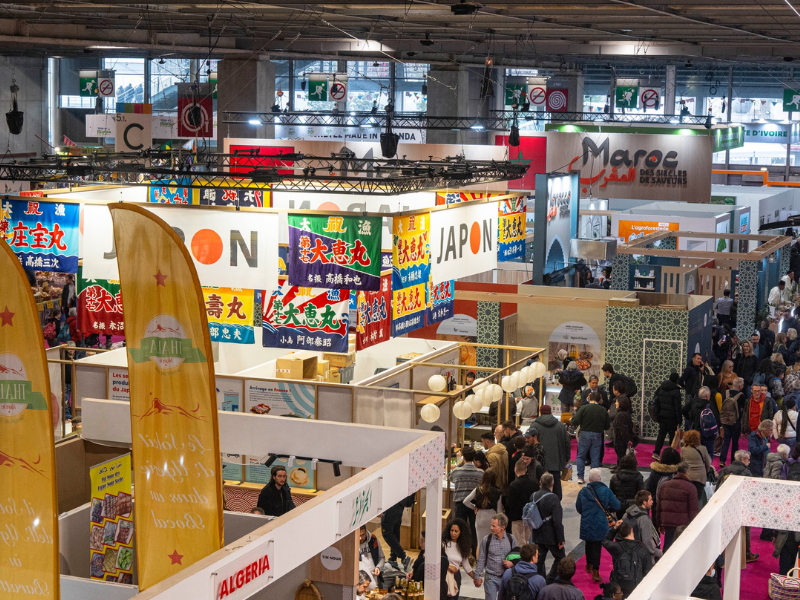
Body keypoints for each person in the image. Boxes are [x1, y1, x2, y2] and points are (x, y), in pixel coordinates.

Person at [576, 468, 620, 582]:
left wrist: (586, 514)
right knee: (597, 546)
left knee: (589, 543)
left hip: (586, 521)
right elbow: (617, 505)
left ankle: (589, 565)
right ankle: (596, 570)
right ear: (600, 478)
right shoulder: (606, 491)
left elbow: (578, 507)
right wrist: (607, 509)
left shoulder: (583, 491)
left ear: (589, 479)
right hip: (601, 522)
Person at [529, 472, 566, 585]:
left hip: (537, 533)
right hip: (551, 536)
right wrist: (561, 539)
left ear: (540, 483)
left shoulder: (533, 496)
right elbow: (557, 522)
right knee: (560, 558)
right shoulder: (554, 498)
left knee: (539, 559)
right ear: (552, 483)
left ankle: (539, 581)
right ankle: (549, 580)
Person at [601, 520, 652, 597]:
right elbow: (647, 572)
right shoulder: (643, 550)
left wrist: (614, 528)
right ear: (631, 530)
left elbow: (605, 540)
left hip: (619, 586)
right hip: (637, 587)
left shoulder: (616, 548)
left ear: (620, 535)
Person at [473, 514, 518, 600]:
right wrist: (477, 576)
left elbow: (518, 557)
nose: (491, 528)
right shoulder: (486, 540)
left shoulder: (511, 539)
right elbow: (481, 559)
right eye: (491, 525)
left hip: (507, 578)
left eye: (494, 526)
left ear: (502, 527)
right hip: (491, 578)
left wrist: (512, 563)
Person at [656, 462, 699, 551]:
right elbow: (693, 510)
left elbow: (659, 506)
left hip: (668, 522)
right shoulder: (691, 488)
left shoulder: (664, 485)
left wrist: (659, 523)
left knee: (667, 547)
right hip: (683, 525)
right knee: (682, 549)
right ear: (687, 472)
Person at [531, 404, 570, 498]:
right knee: (556, 484)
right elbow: (567, 442)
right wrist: (567, 458)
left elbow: (530, 441)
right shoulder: (560, 426)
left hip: (540, 462)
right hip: (556, 462)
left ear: (540, 412)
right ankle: (556, 502)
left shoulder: (535, 425)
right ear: (551, 412)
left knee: (540, 484)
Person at [571, 391, 610, 484]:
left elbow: (575, 420)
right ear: (600, 400)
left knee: (581, 456)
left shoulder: (583, 408)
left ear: (589, 398)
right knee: (595, 458)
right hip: (598, 435)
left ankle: (580, 478)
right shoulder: (603, 410)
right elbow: (607, 426)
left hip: (584, 434)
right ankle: (593, 479)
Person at [451, 447, 483, 553]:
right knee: (474, 530)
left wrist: (460, 464)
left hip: (460, 502)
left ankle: (461, 552)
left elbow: (451, 478)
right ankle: (475, 553)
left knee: (459, 529)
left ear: (463, 457)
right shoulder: (480, 473)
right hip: (474, 504)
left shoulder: (456, 471)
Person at [464, 470, 503, 552]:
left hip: (480, 516)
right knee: (492, 542)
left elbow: (465, 501)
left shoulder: (477, 489)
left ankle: (479, 563)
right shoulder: (498, 491)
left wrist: (474, 506)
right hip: (492, 517)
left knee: (480, 543)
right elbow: (499, 510)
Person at [644, 447, 681, 530]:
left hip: (656, 506)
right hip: (674, 508)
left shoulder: (655, 472)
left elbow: (649, 489)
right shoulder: (678, 473)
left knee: (655, 530)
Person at [623, 491, 662, 564]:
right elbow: (646, 540)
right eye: (650, 500)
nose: (652, 502)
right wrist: (657, 552)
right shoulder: (644, 518)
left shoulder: (627, 514)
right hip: (643, 556)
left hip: (628, 552)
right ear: (644, 502)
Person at [651, 372, 683, 459]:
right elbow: (677, 407)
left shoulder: (661, 387)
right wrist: (679, 420)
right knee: (672, 436)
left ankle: (656, 452)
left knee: (661, 434)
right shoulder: (676, 391)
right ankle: (671, 454)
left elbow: (656, 401)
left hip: (662, 416)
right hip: (672, 417)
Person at [504, 460, 536, 542]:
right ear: (526, 469)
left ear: (515, 470)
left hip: (517, 517)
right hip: (529, 516)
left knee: (518, 542)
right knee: (528, 540)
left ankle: (522, 555)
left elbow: (509, 503)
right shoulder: (533, 483)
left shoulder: (513, 485)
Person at [442, 520, 475, 599]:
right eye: (452, 530)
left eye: (456, 531)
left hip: (456, 575)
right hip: (444, 574)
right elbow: (438, 559)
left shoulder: (462, 547)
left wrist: (475, 578)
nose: (453, 533)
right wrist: (448, 567)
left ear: (461, 532)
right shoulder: (443, 544)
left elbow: (466, 565)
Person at [382, 494, 415, 572]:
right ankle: (393, 558)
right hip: (399, 504)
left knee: (387, 533)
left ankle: (404, 558)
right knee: (395, 531)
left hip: (391, 504)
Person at [684, 386, 718, 458]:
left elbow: (691, 418)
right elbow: (716, 419)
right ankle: (708, 468)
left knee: (698, 454)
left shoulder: (694, 406)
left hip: (697, 434)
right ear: (707, 396)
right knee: (709, 453)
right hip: (708, 434)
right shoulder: (710, 407)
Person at [718, 378, 745, 468]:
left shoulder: (725, 393)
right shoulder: (741, 396)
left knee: (726, 440)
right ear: (740, 386)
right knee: (735, 441)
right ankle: (733, 460)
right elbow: (743, 409)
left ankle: (722, 460)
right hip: (736, 421)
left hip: (725, 420)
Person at [609, 454, 644, 519]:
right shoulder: (638, 477)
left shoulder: (615, 477)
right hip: (633, 506)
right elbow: (641, 494)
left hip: (619, 506)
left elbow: (610, 495)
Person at [358, 526, 385, 590]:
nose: (360, 538)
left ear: (366, 532)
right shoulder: (351, 544)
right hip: (361, 585)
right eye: (358, 535)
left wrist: (378, 567)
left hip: (375, 582)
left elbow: (382, 558)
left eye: (362, 535)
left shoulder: (373, 539)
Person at [612, 394, 634, 468]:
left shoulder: (620, 415)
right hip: (622, 438)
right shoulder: (625, 414)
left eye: (617, 402)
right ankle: (618, 465)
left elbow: (623, 429)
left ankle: (620, 468)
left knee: (621, 454)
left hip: (620, 439)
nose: (616, 403)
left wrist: (627, 439)